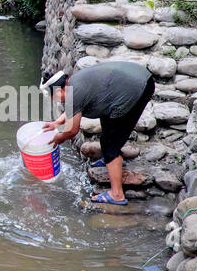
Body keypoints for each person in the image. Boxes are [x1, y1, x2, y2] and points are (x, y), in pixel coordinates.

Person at [41, 60, 156, 206]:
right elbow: (74, 109)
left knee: (108, 143)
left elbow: (72, 130)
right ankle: (113, 161)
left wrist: (59, 138)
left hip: (136, 88)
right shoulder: (73, 84)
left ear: (59, 90)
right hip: (139, 79)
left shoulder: (74, 92)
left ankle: (117, 194)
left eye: (55, 97)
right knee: (109, 124)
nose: (57, 101)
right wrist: (56, 123)